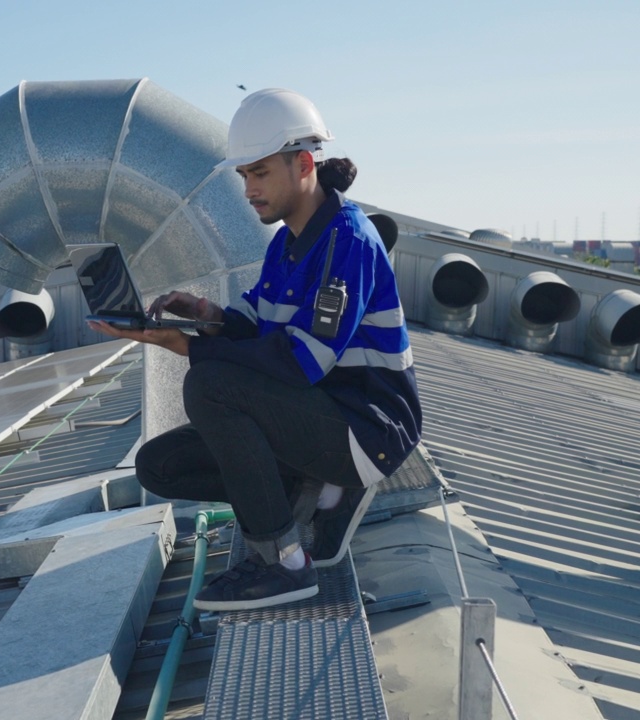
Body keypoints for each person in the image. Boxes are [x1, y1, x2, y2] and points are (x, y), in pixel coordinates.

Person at [89, 88, 422, 611]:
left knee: (210, 384)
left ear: (303, 164)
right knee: (158, 466)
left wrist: (188, 347)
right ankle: (316, 494)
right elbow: (258, 322)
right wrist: (207, 316)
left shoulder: (346, 242)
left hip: (367, 429)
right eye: (244, 175)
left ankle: (286, 563)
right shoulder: (288, 242)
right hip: (320, 415)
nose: (248, 190)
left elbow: (301, 361)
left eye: (260, 173)